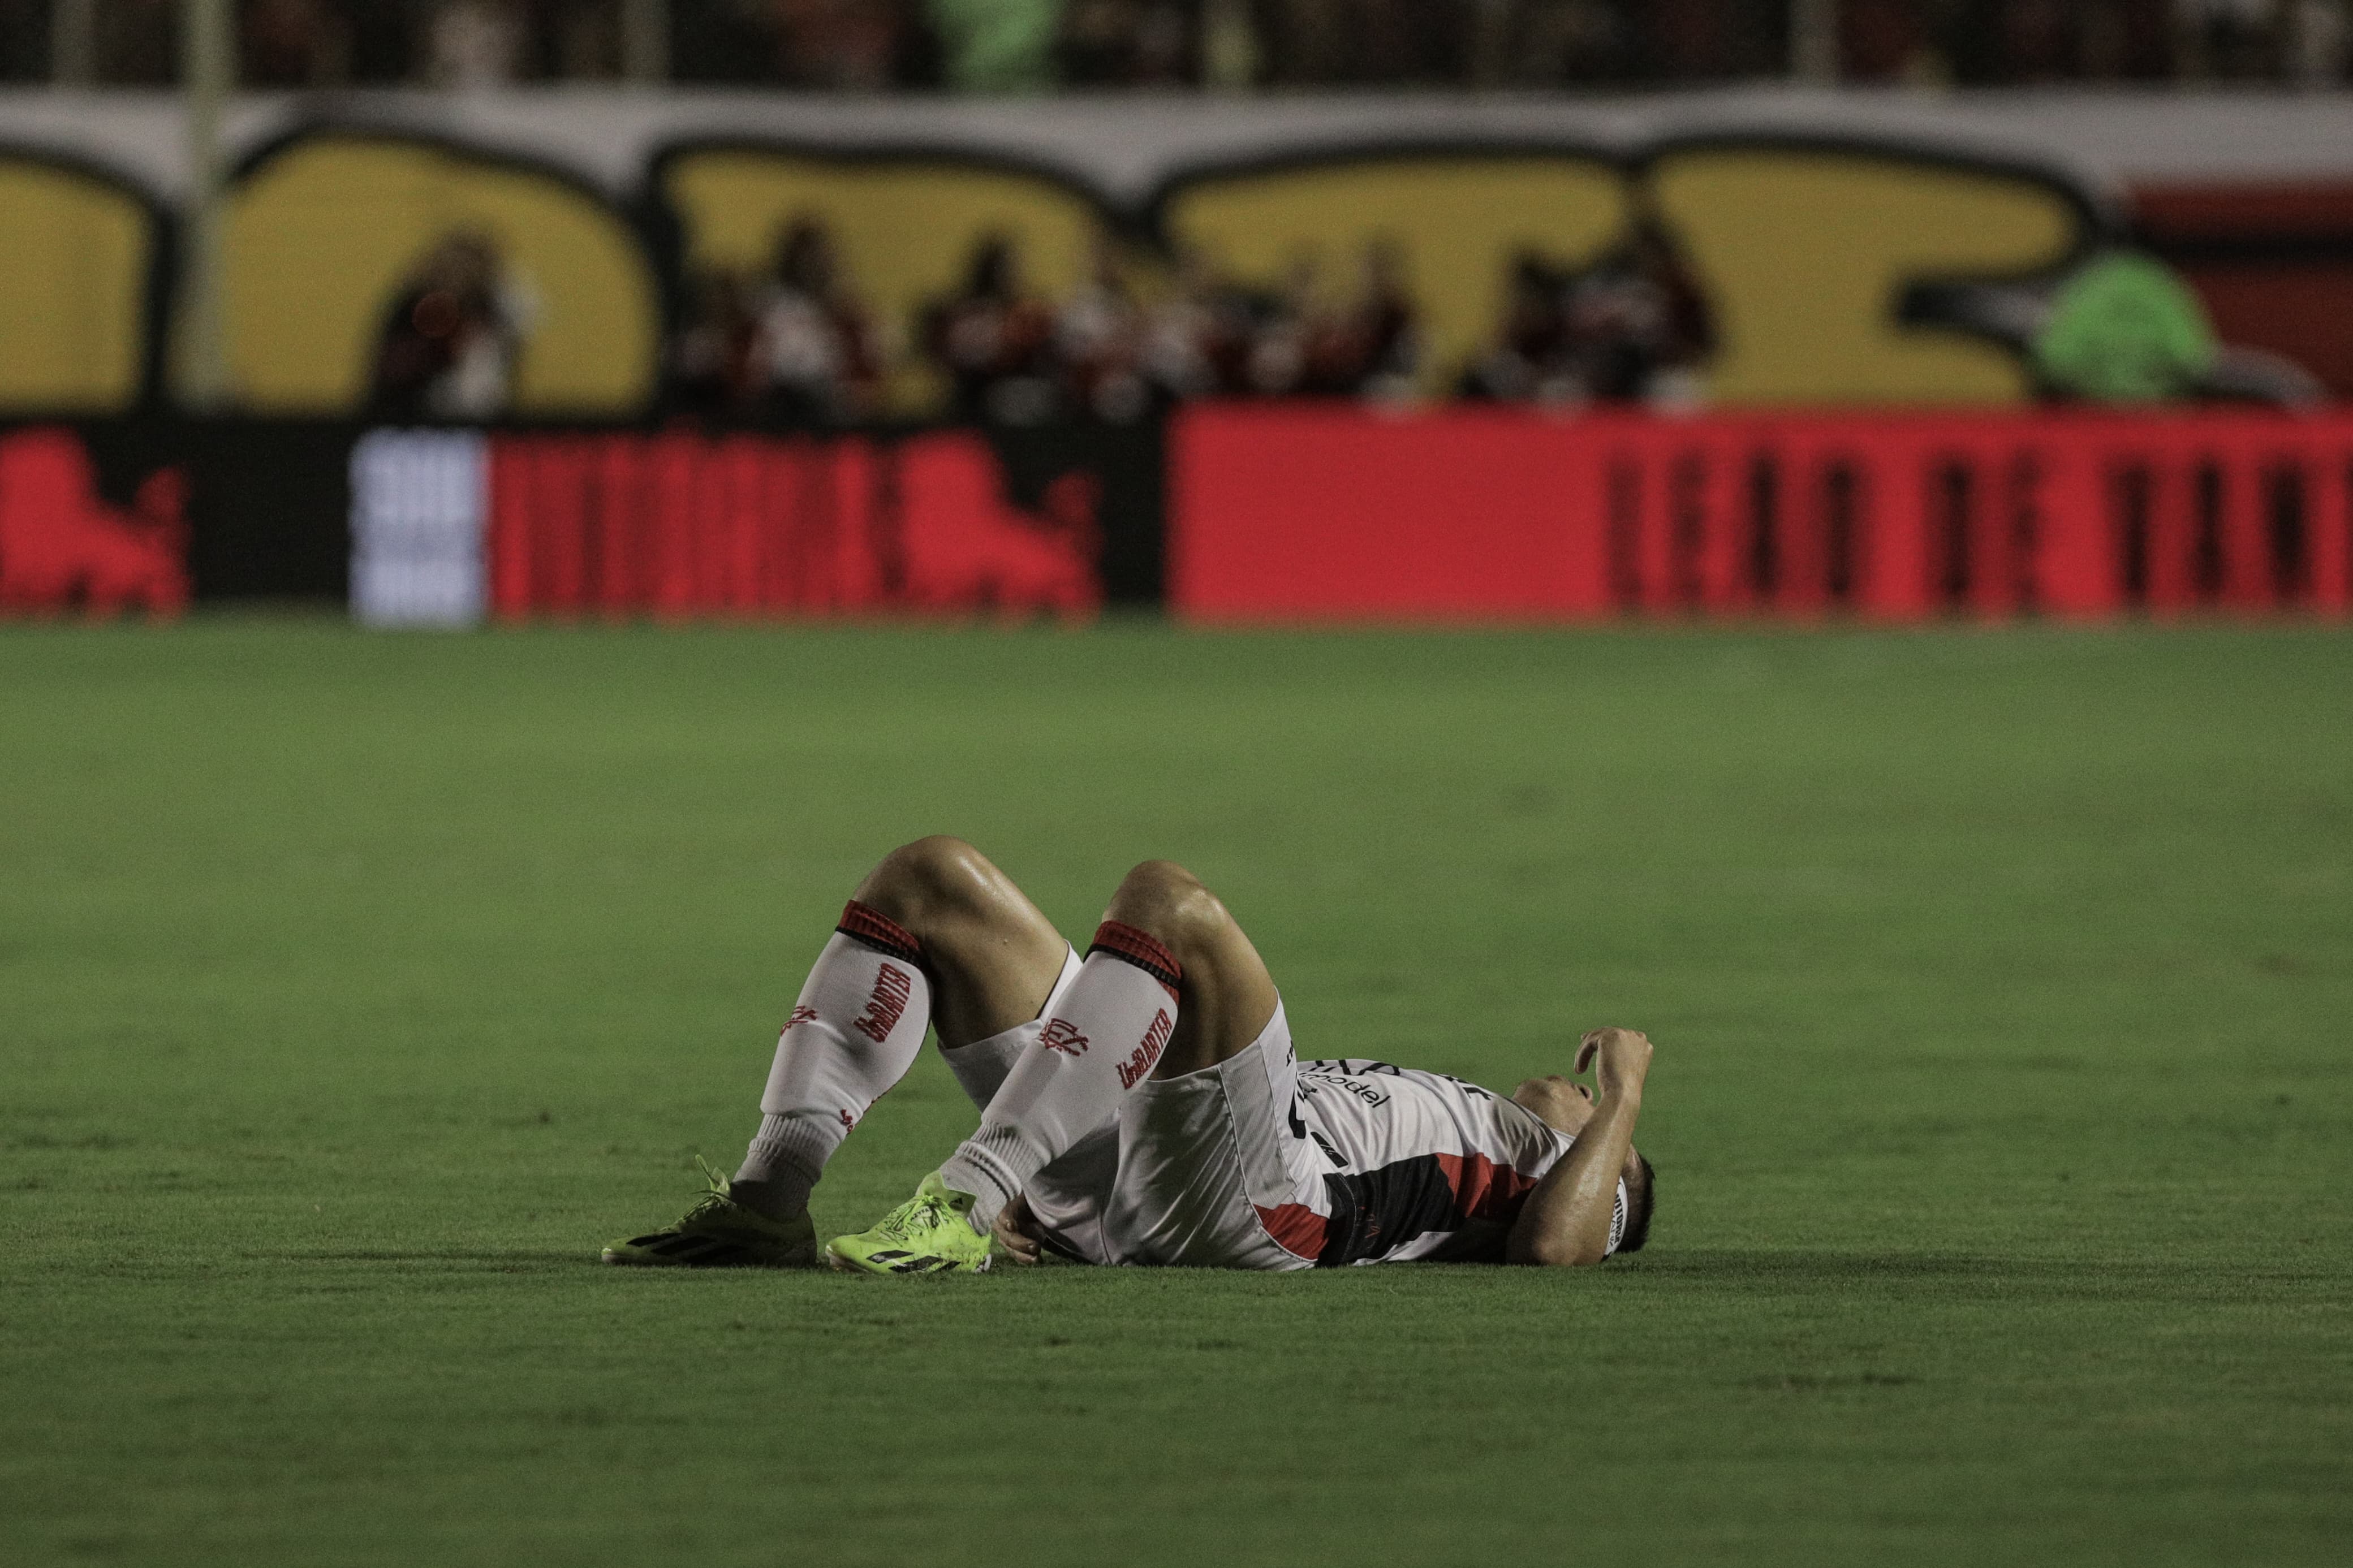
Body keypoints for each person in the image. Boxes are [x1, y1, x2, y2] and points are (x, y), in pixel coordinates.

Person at [602, 837, 1656, 1274]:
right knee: (931, 878)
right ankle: (769, 1198)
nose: (1564, 1082)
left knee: (1170, 903)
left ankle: (966, 1199)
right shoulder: (1485, 1116)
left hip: (1277, 1205)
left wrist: (1624, 1101)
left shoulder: (1560, 1170)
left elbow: (1558, 1252)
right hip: (1162, 1164)